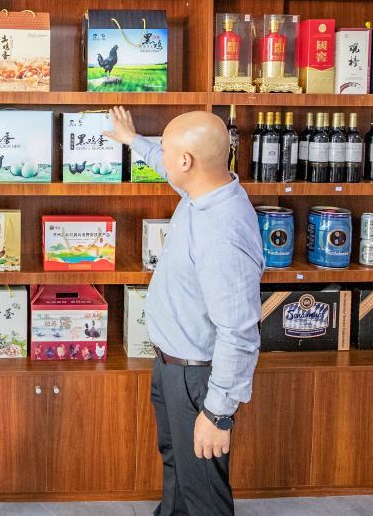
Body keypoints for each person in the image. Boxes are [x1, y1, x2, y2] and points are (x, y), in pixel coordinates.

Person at [105, 106, 263, 516]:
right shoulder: (204, 191)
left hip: (199, 379)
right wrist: (133, 140)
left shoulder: (222, 233)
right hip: (174, 366)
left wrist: (217, 413)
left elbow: (239, 332)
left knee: (202, 490)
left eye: (166, 150)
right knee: (178, 467)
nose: (162, 157)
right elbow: (168, 167)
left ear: (187, 161)